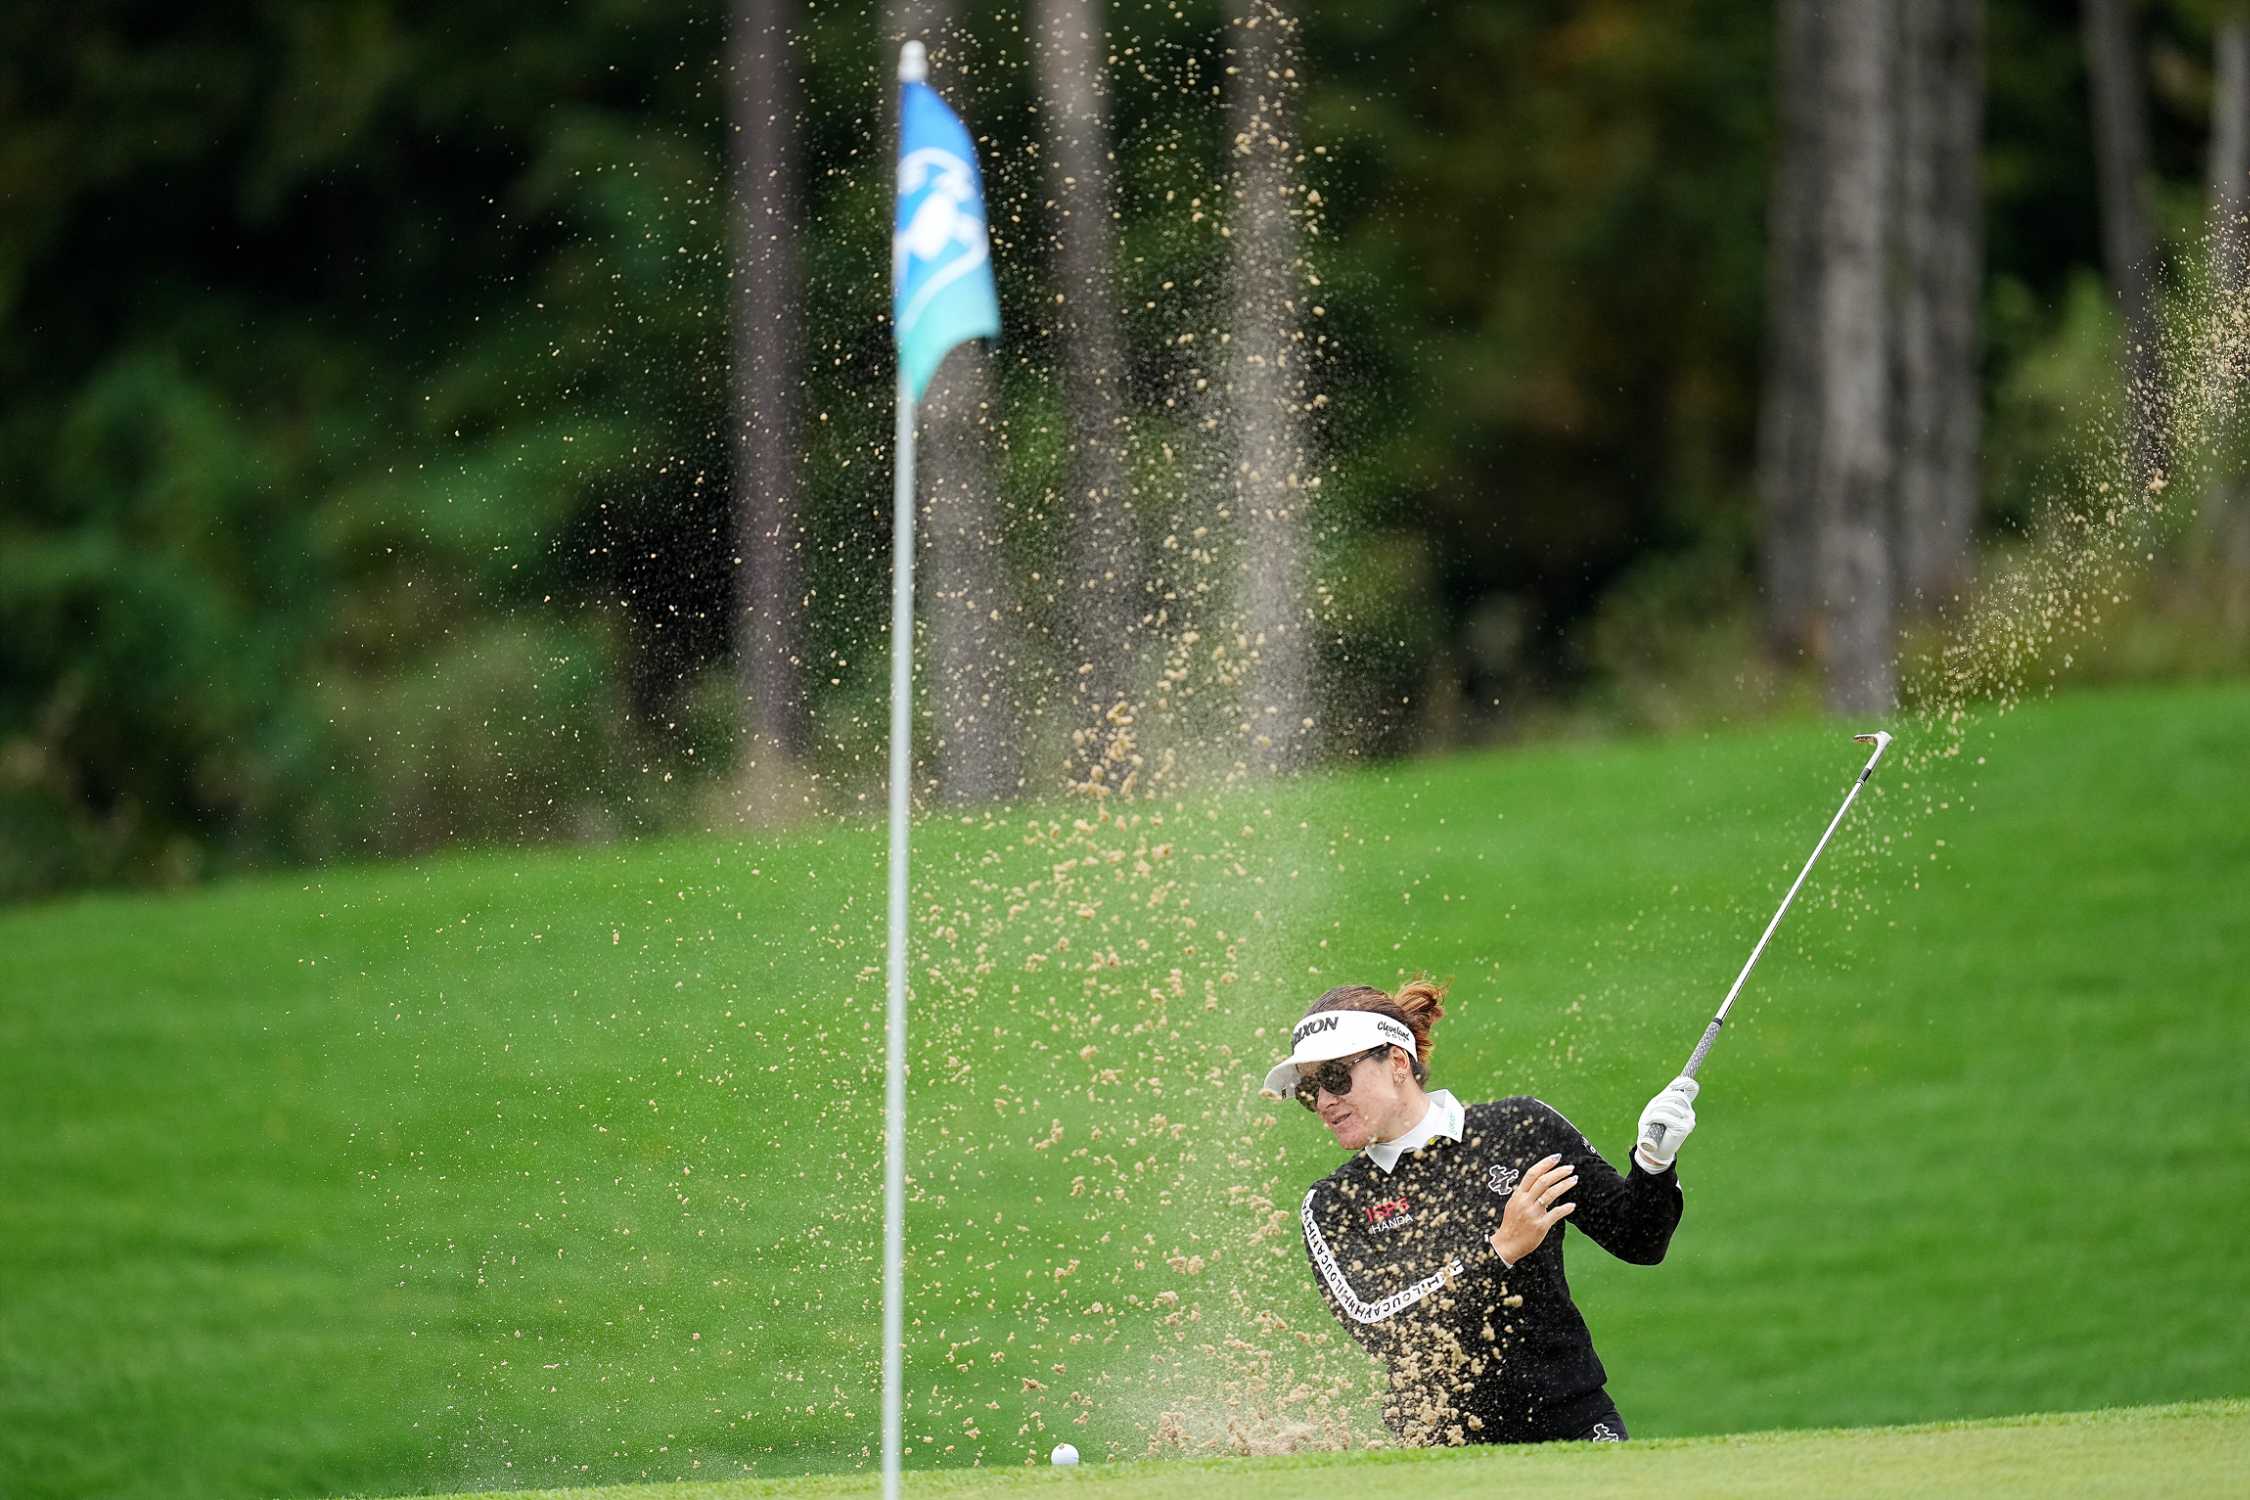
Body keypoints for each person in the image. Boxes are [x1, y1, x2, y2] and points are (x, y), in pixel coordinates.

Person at [1262, 979, 1697, 1446]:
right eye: (1309, 1091)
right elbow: (1378, 1324)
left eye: (1334, 1077)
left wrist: (1654, 1165)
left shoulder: (1521, 1129)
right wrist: (1499, 1251)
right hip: (1440, 1444)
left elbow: (1639, 1239)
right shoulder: (1334, 1203)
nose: (1325, 1102)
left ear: (1396, 1063)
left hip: (1573, 1420)